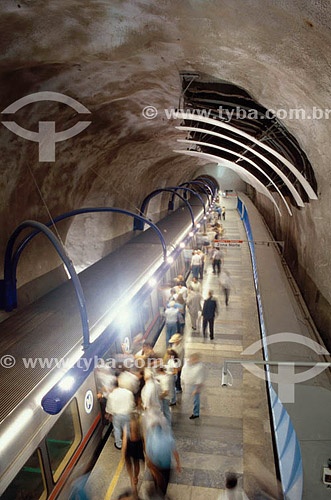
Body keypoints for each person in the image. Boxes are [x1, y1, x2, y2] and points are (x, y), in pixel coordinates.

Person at [144, 421, 182, 496]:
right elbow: (175, 452)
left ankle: (157, 494)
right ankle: (162, 494)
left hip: (156, 466)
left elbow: (148, 453)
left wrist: (150, 467)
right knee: (165, 482)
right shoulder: (168, 436)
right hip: (166, 465)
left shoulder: (150, 437)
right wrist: (178, 464)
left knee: (157, 482)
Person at [106, 378, 135, 450]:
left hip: (117, 416)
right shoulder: (128, 392)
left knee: (117, 429)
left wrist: (109, 414)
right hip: (127, 414)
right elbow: (132, 404)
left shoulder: (111, 395)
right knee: (127, 429)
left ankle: (119, 444)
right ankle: (127, 443)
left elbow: (109, 408)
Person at [122, 414, 145, 498]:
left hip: (130, 445)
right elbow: (144, 438)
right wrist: (145, 450)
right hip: (138, 445)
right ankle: (136, 477)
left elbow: (124, 441)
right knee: (136, 463)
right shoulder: (140, 426)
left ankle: (132, 479)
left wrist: (123, 452)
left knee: (128, 463)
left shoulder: (126, 426)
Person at [181, 353, 206, 419]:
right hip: (188, 384)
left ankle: (196, 413)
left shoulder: (200, 367)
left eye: (194, 359)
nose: (192, 360)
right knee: (189, 398)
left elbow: (200, 378)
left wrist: (197, 389)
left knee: (196, 399)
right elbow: (183, 373)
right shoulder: (187, 364)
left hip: (195, 385)